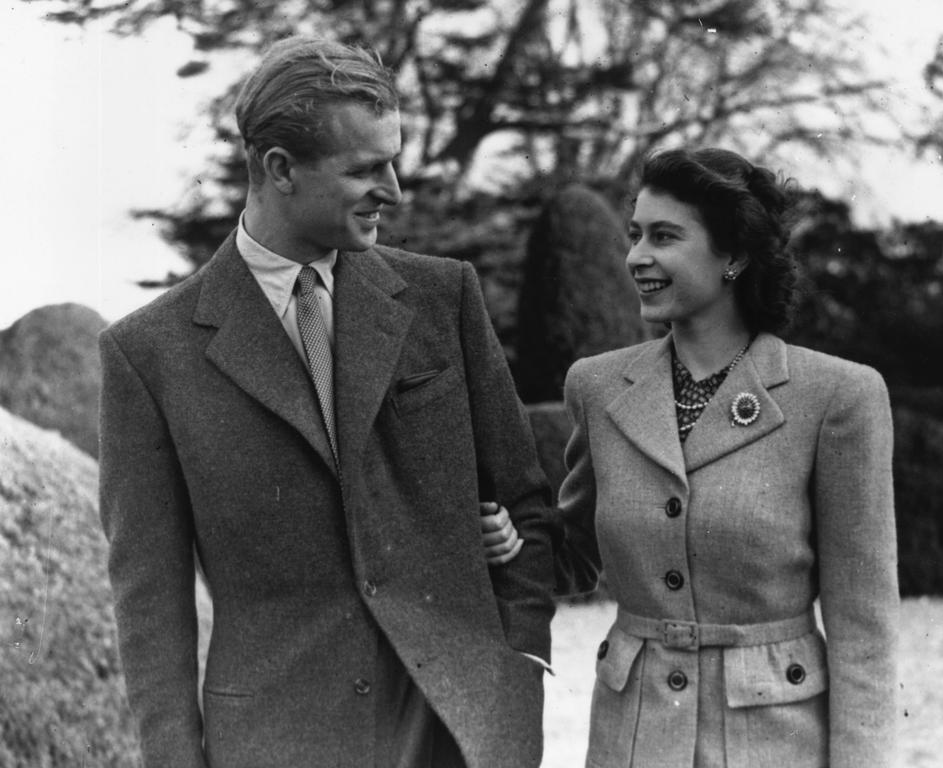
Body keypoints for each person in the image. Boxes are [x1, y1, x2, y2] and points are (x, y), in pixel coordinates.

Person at [99, 36, 556, 768]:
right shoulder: (149, 353)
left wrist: (522, 668)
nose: (396, 191)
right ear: (279, 169)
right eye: (367, 169)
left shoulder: (443, 297)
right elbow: (151, 607)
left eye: (395, 161)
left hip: (457, 735)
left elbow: (527, 506)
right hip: (278, 741)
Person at [482, 147, 899, 767]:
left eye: (664, 237)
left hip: (776, 742)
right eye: (634, 236)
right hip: (632, 736)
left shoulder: (838, 396)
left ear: (733, 255)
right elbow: (574, 556)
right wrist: (514, 542)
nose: (636, 257)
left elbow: (864, 627)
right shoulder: (597, 387)